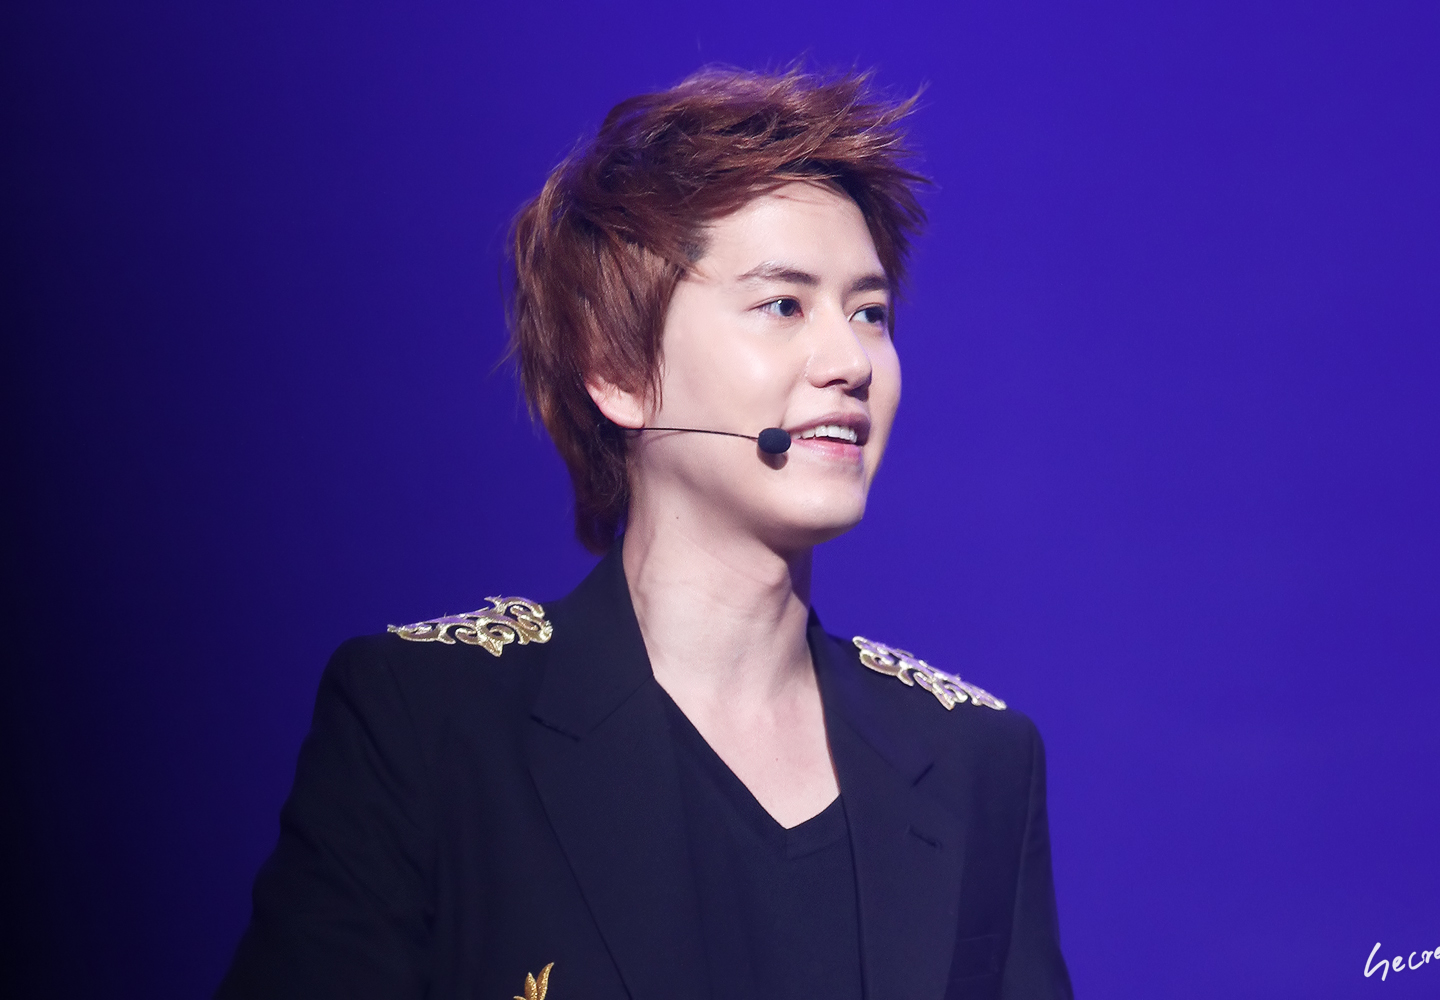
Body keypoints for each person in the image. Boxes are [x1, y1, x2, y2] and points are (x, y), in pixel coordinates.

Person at [218, 66, 1073, 1000]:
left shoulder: (975, 761)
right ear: (618, 369)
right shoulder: (432, 725)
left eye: (869, 313)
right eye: (783, 305)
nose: (850, 361)